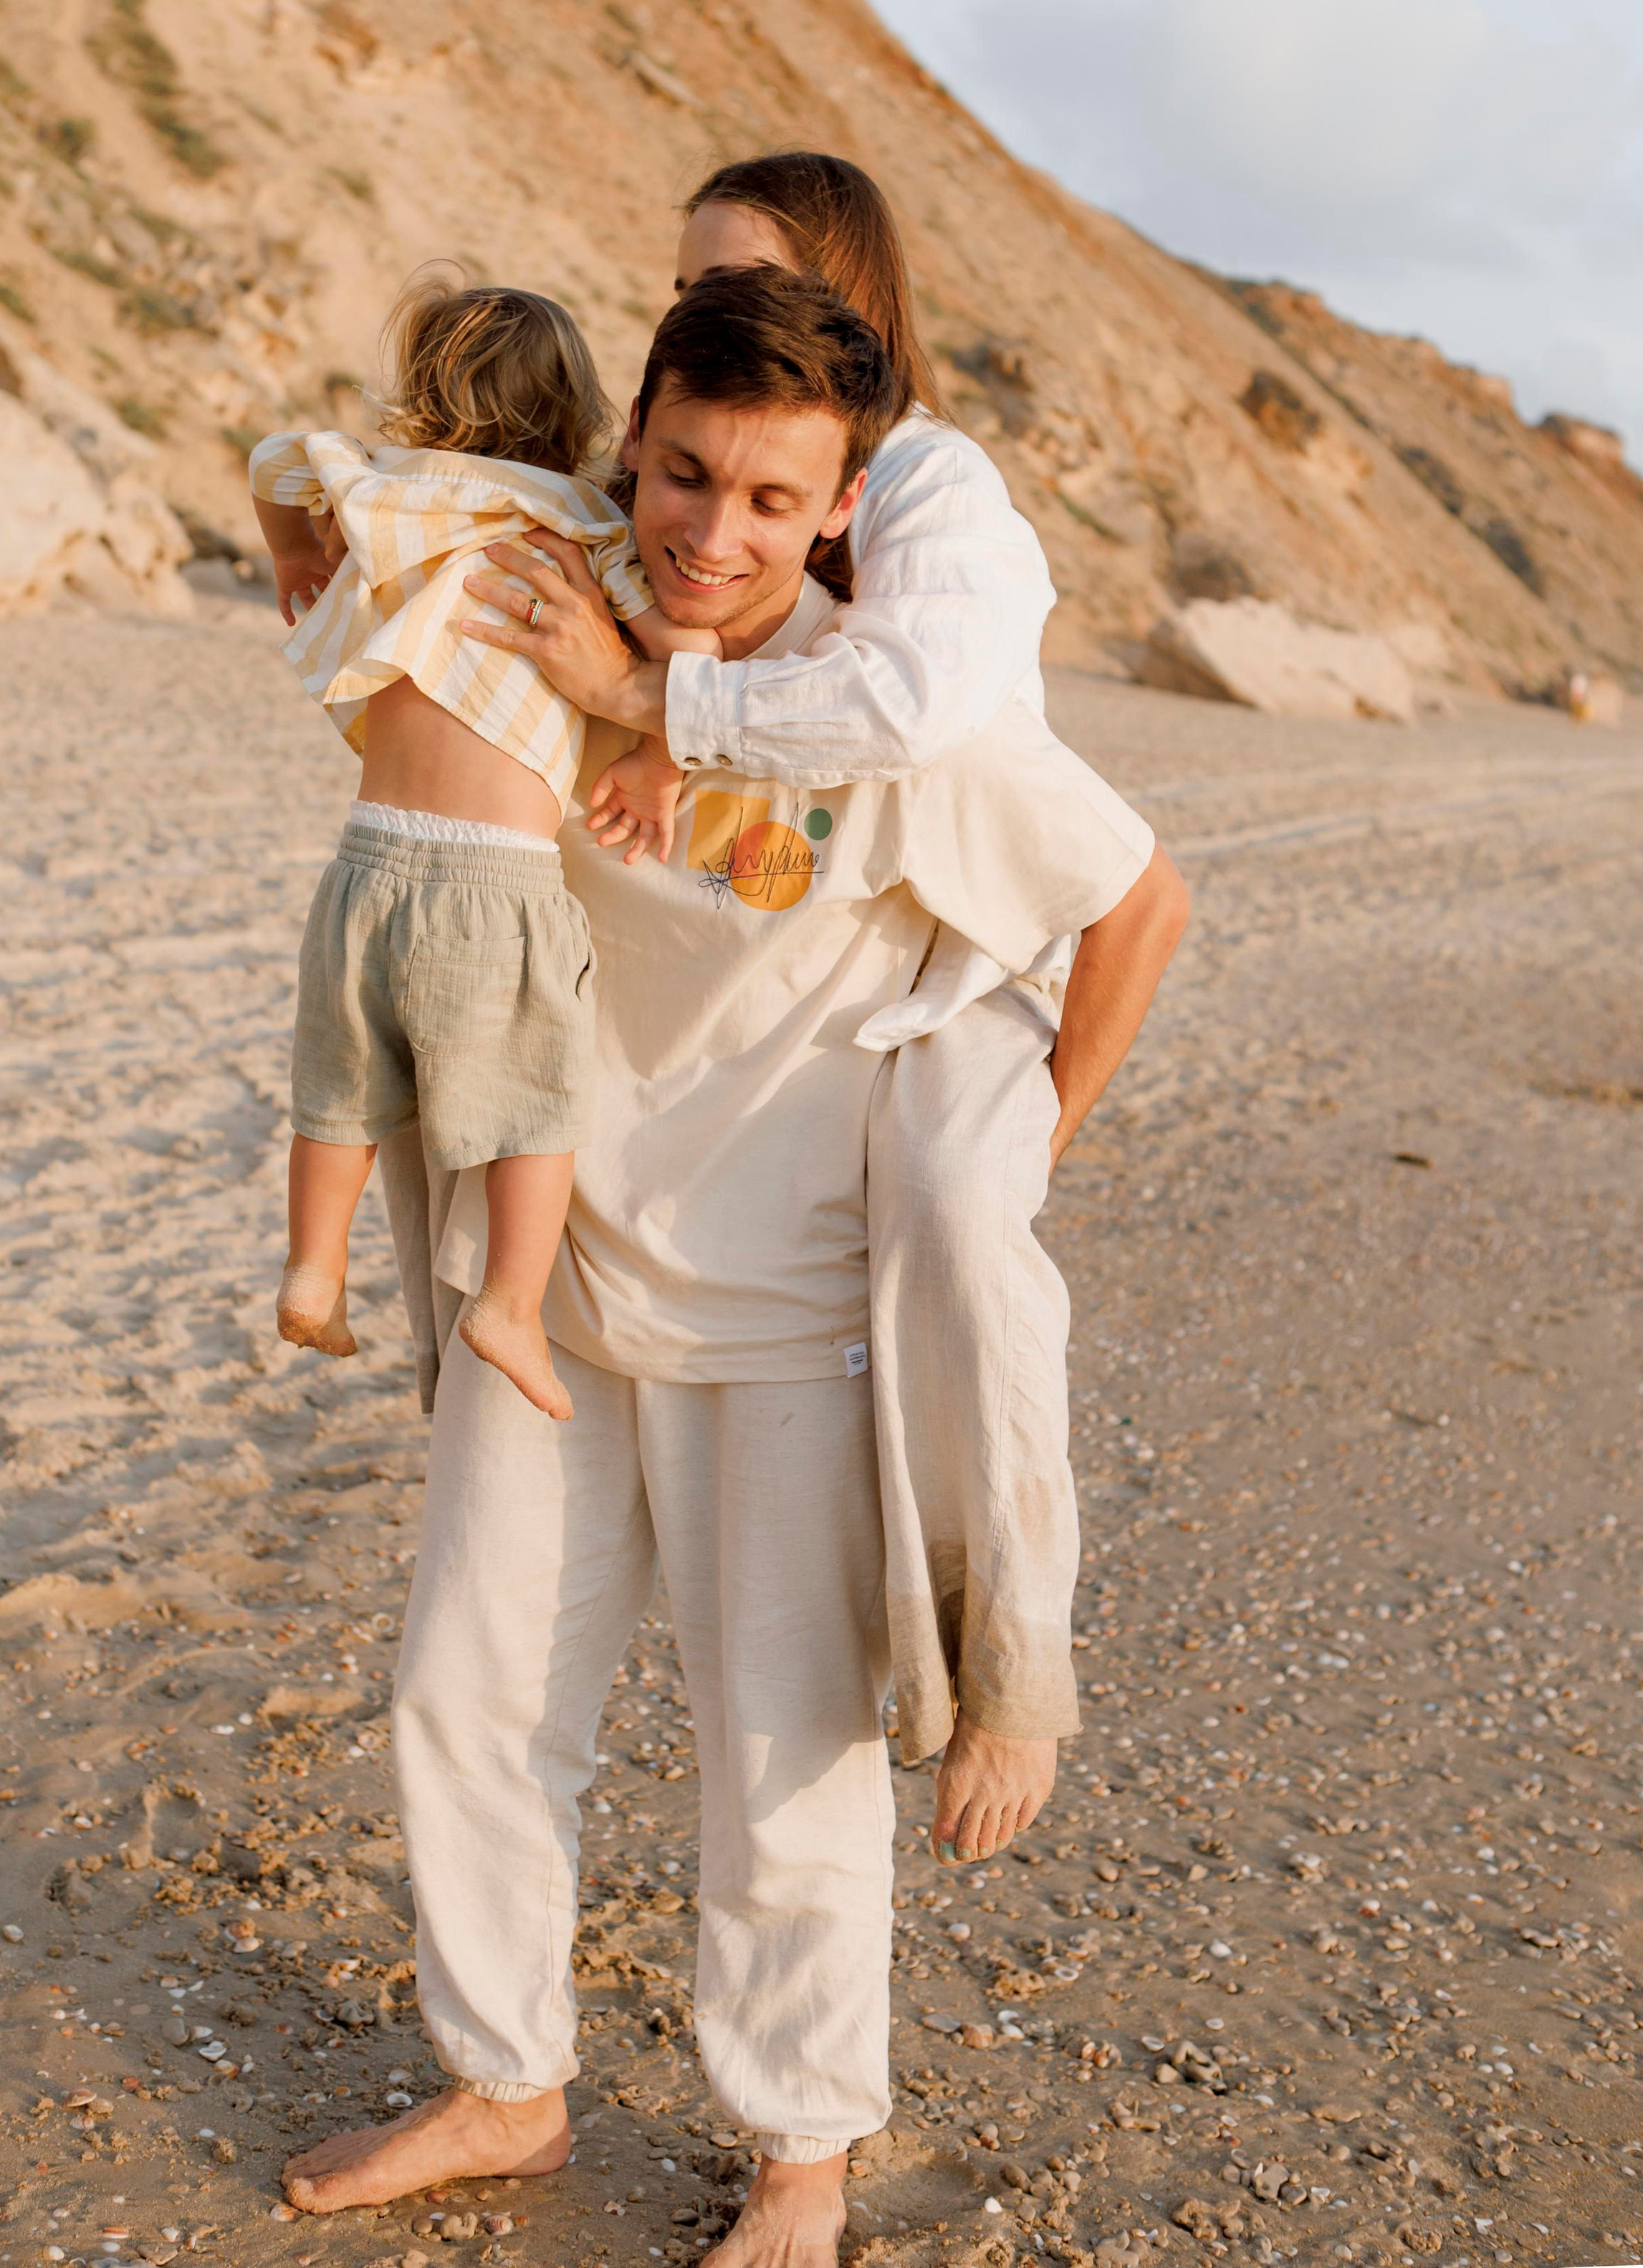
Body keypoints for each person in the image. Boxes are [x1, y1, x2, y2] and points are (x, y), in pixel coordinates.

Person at [282, 267, 1188, 2267]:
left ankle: (801, 2154)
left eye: (773, 503)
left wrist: (1017, 1155)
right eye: (685, 477)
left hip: (786, 1330)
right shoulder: (558, 612)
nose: (713, 535)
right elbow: (358, 572)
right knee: (465, 1694)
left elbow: (1139, 902)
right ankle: (507, 2084)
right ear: (632, 450)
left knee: (786, 1778)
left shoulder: (903, 717)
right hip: (559, 1286)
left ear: (840, 512)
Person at [463, 152, 1103, 1858]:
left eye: (723, 280)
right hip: (657, 1160)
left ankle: (1012, 1670)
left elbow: (910, 715)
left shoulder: (933, 492)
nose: (684, 310)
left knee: (969, 1234)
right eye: (676, 291)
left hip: (970, 968)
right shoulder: (677, 499)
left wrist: (662, 709)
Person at [248, 273, 712, 1418]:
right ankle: (508, 1302)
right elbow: (687, 643)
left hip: (362, 862)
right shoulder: (581, 528)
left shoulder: (386, 491)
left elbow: (274, 462)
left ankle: (314, 1267)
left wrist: (290, 560)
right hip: (494, 883)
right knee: (536, 1105)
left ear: (425, 396)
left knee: (342, 1083)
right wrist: (660, 753)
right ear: (577, 412)